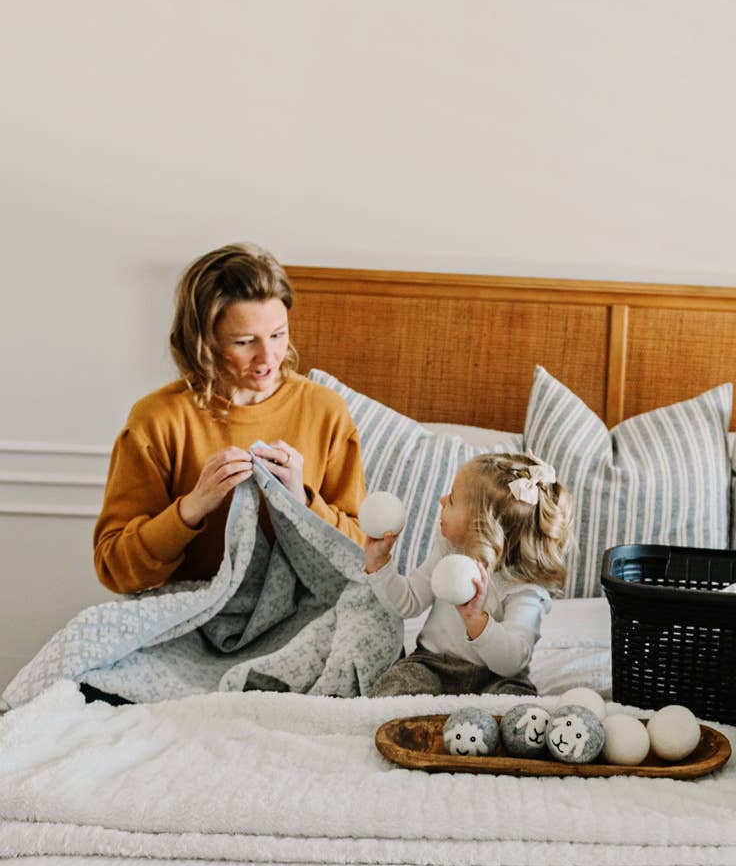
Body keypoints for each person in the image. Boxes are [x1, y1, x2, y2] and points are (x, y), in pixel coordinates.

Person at [94, 243, 366, 595]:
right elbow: (115, 569)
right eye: (244, 342)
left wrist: (303, 502)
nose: (267, 357)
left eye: (278, 335)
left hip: (304, 615)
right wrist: (192, 507)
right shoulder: (156, 420)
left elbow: (363, 557)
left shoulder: (325, 411)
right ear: (204, 342)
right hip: (190, 613)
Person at [364, 452, 572, 697]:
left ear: (480, 526)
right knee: (396, 686)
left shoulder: (524, 587)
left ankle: (474, 729)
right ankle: (418, 727)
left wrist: (477, 621)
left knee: (518, 703)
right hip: (433, 664)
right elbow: (408, 603)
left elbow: (514, 660)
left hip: (496, 677)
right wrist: (378, 562)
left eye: (452, 499)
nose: (442, 500)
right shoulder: (447, 550)